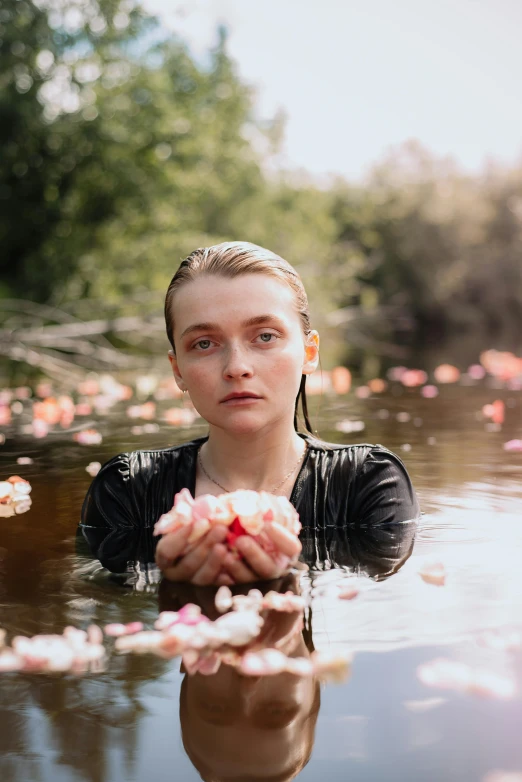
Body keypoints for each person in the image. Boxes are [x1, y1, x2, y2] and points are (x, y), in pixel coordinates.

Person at [80, 241, 420, 583]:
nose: (237, 367)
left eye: (265, 336)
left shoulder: (367, 483)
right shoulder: (127, 490)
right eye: (204, 343)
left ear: (309, 352)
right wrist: (174, 591)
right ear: (178, 370)